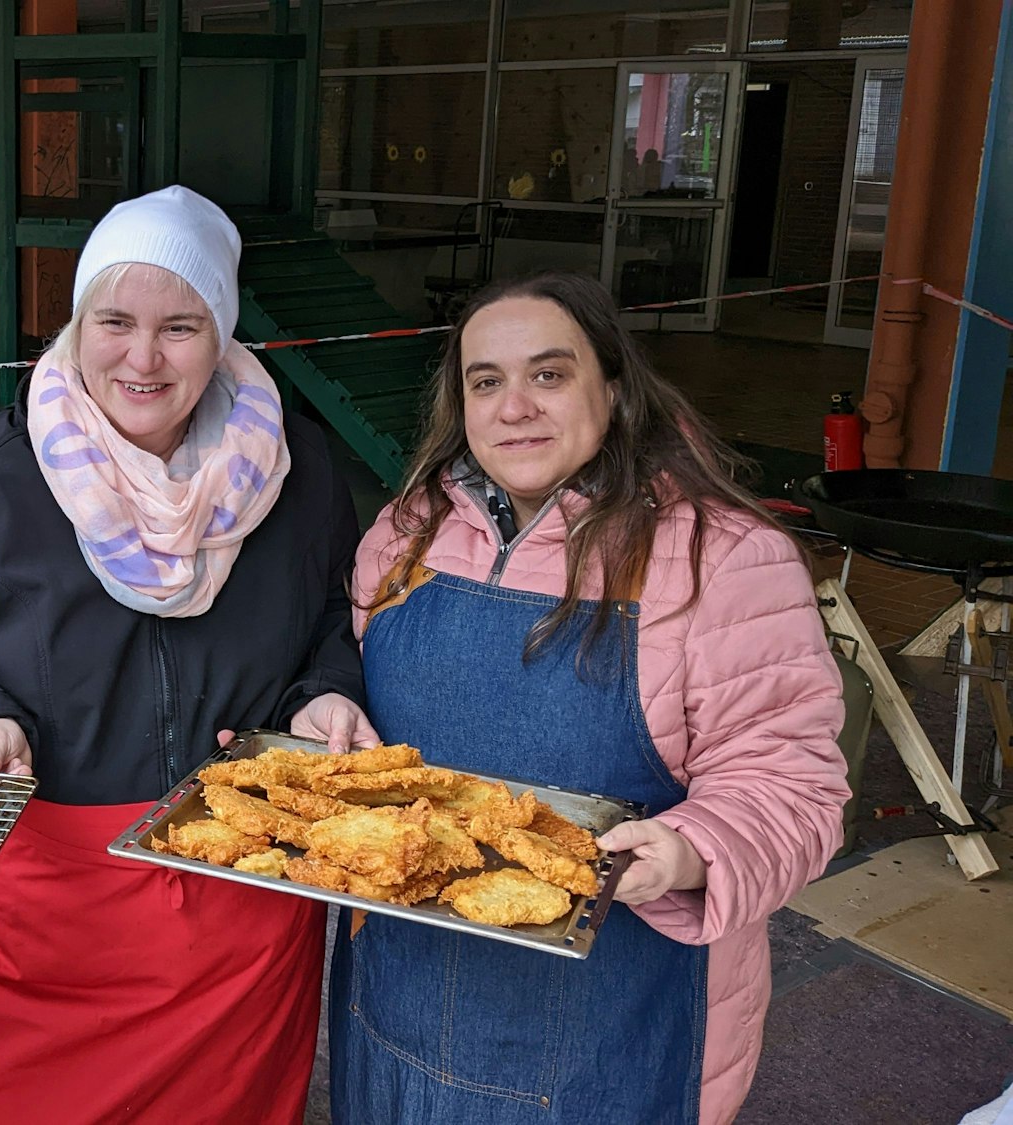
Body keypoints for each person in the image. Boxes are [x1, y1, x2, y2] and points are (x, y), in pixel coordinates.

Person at [0, 185, 375, 1123]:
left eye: (180, 327)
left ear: (222, 332)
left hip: (237, 905)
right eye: (116, 321)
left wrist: (324, 689)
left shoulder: (300, 471)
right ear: (77, 322)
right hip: (30, 910)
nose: (143, 357)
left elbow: (334, 613)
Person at [333, 271, 850, 1125]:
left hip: (614, 1026)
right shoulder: (406, 533)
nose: (515, 407)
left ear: (612, 386)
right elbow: (359, 687)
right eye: (486, 381)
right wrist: (328, 706)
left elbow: (792, 781)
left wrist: (693, 850)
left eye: (549, 373)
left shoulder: (722, 558)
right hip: (399, 995)